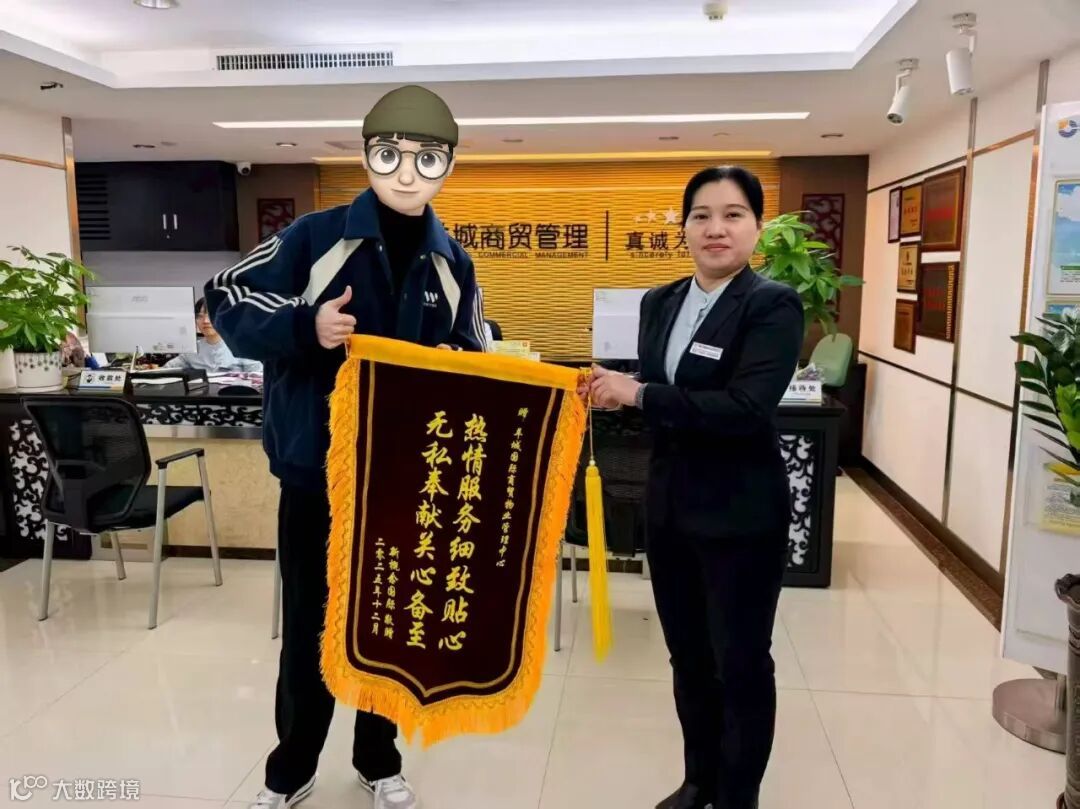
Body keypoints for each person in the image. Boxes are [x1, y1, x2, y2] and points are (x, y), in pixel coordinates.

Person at [205, 85, 487, 809]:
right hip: (316, 475)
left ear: (448, 166)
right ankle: (291, 767)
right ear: (367, 156)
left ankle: (378, 757)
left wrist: (474, 371)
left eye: (427, 158)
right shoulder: (314, 237)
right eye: (391, 154)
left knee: (389, 626)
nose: (407, 172)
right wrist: (307, 326)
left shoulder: (453, 262)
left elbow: (475, 350)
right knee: (309, 625)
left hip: (404, 479)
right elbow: (226, 294)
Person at [586, 166, 803, 809]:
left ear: (757, 227)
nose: (716, 228)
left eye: (733, 215)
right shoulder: (659, 302)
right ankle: (699, 781)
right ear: (682, 228)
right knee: (687, 657)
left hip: (741, 515)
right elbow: (661, 396)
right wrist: (611, 394)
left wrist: (639, 394)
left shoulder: (771, 304)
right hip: (670, 510)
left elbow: (746, 408)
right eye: (701, 215)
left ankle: (737, 797)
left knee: (740, 663)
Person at [162, 298, 262, 374]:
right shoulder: (192, 349)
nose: (205, 321)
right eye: (200, 316)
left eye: (210, 315)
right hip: (202, 394)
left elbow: (258, 377)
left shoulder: (241, 347)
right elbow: (166, 369)